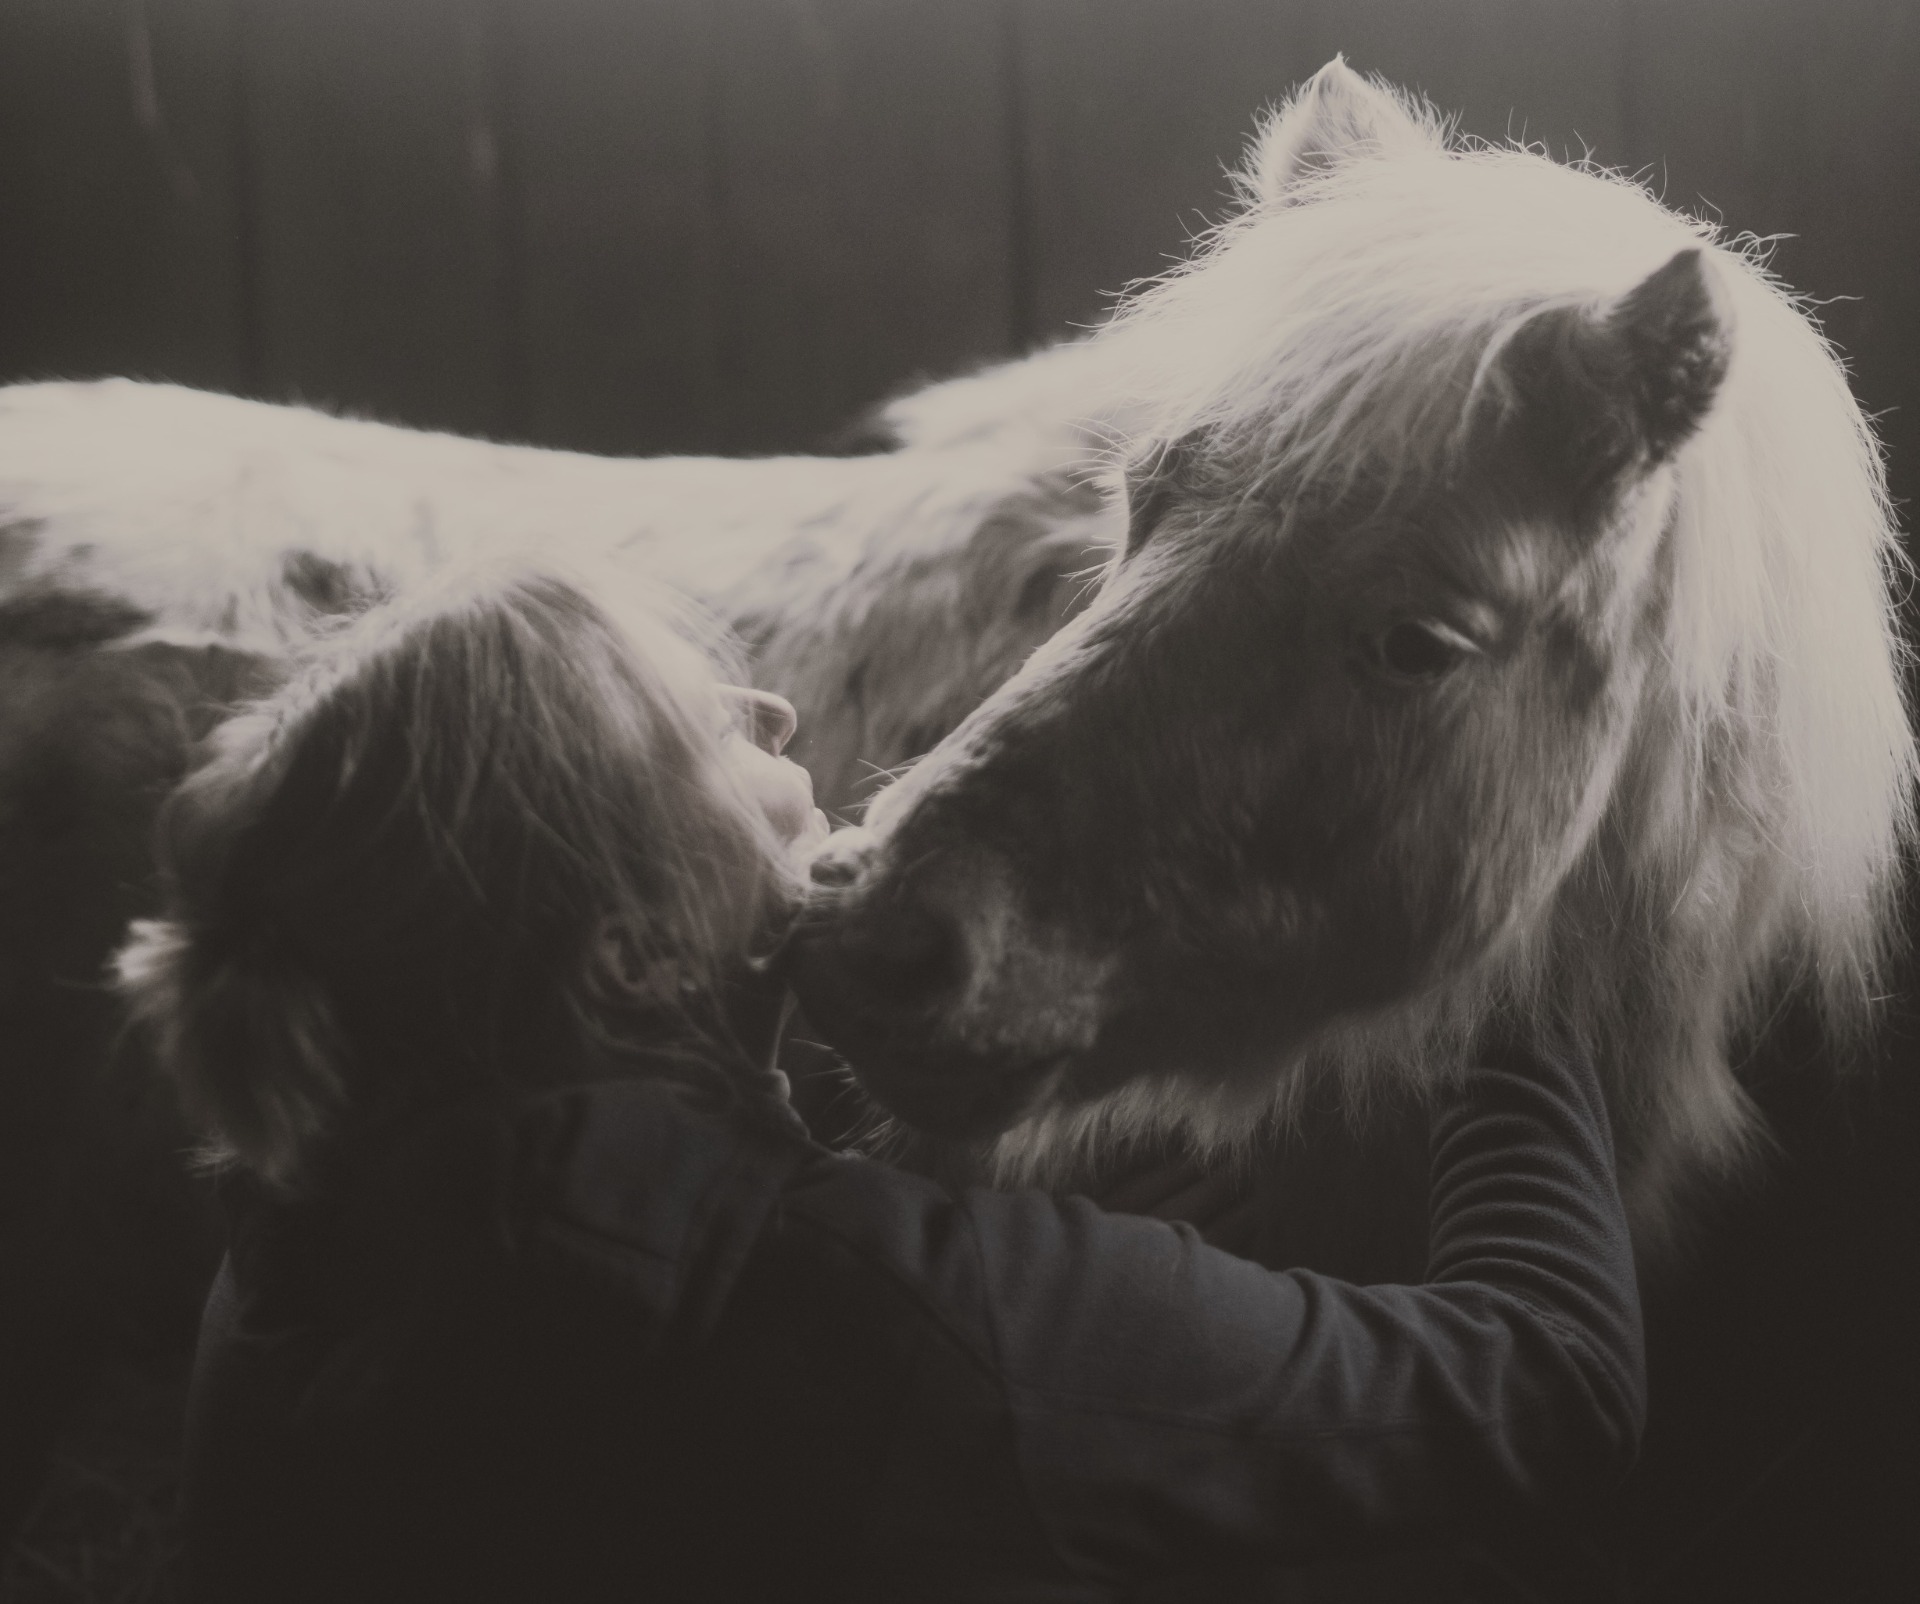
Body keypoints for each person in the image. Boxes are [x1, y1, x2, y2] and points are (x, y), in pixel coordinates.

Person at [119, 567, 1643, 1604]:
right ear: (636, 956)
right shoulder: (902, 1325)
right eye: (708, 732)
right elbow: (1550, 1385)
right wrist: (1513, 966)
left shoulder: (297, 1268)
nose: (775, 715)